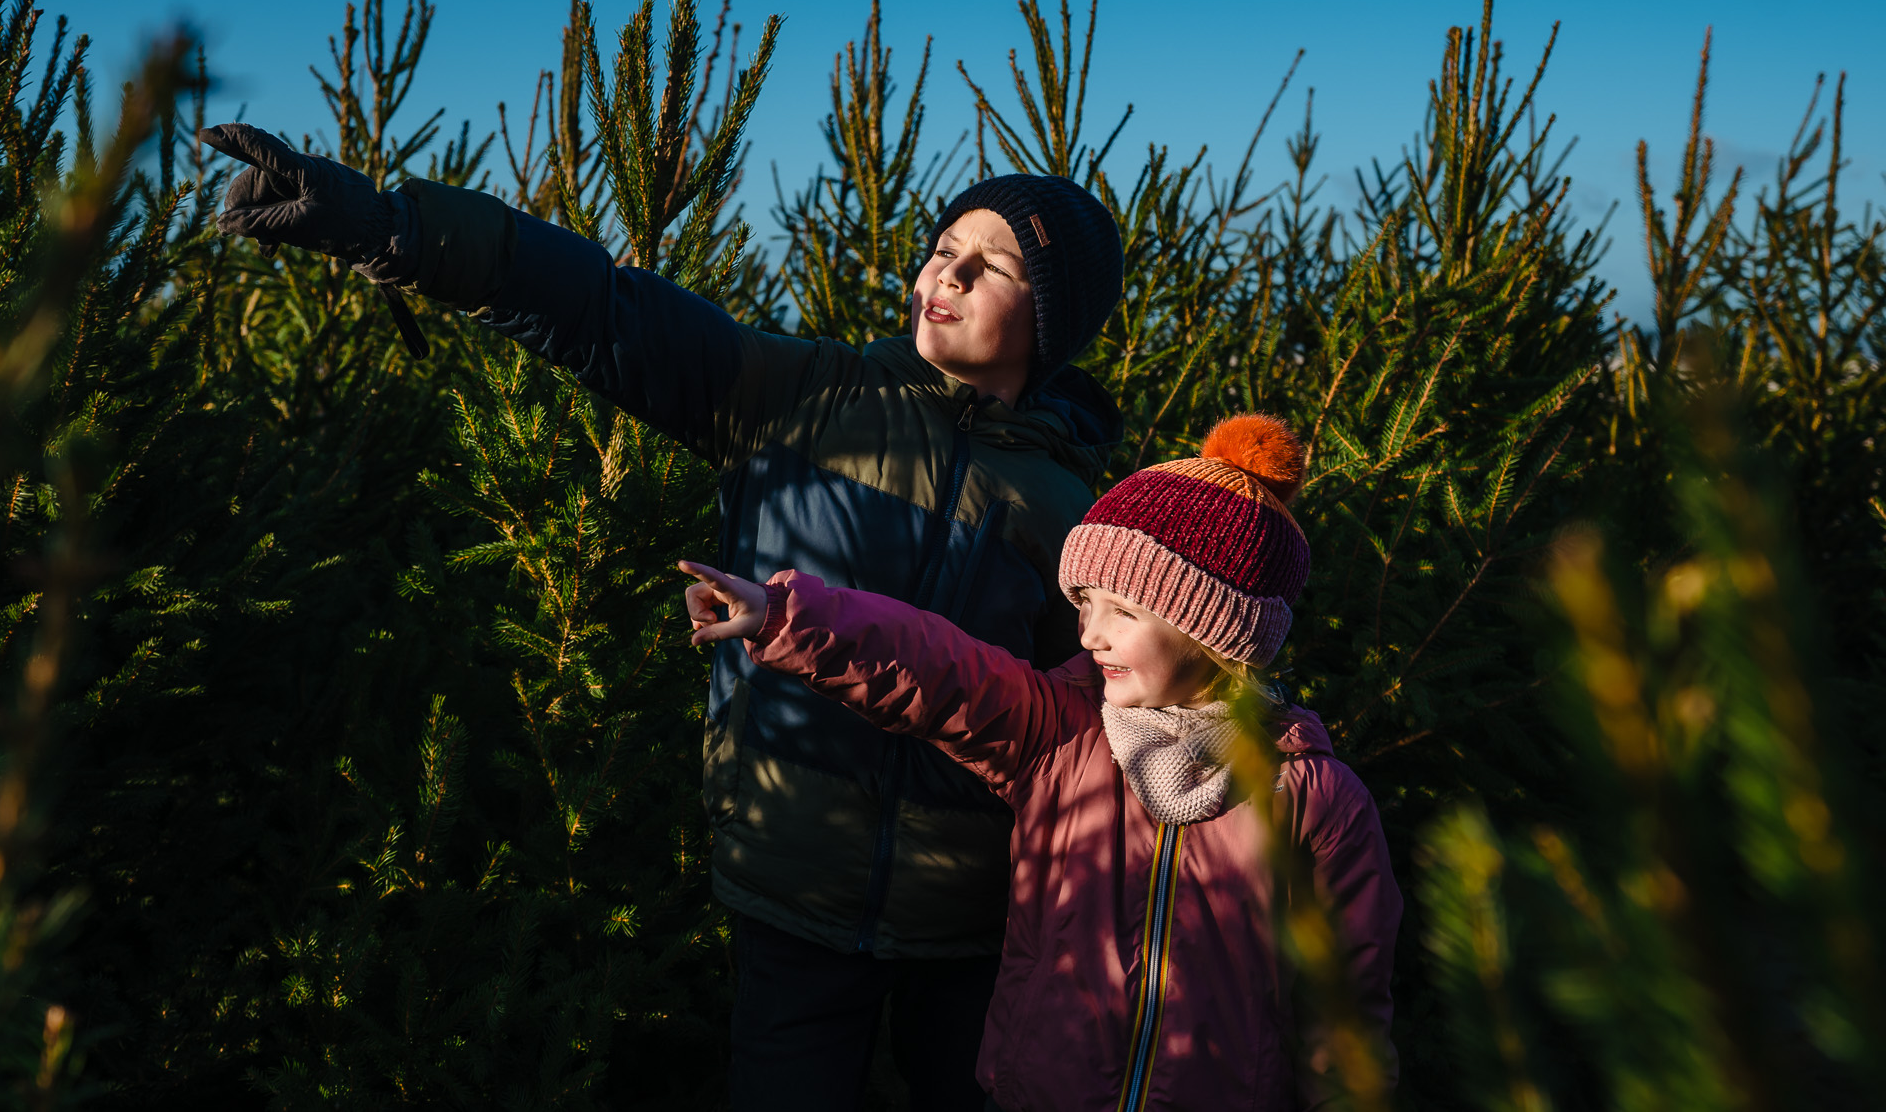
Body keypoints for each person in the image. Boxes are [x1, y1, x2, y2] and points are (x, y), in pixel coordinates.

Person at [194, 124, 1126, 1111]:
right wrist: (392, 227)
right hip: (787, 890)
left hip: (978, 923)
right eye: (943, 248)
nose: (948, 273)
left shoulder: (1073, 508)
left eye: (992, 266)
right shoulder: (799, 394)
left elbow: (1079, 720)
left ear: (1051, 319)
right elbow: (602, 311)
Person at [680, 414, 1403, 1112]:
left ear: (1212, 629)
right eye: (1084, 601)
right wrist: (786, 617)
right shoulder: (1062, 733)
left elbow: (1343, 1007)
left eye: (1123, 611)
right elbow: (938, 671)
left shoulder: (1314, 797)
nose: (1089, 631)